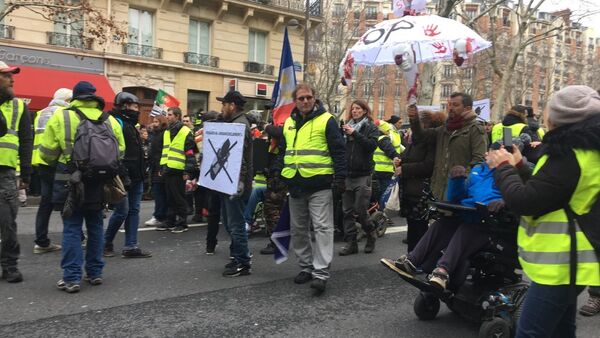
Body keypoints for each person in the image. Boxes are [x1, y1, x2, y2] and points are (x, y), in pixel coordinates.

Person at [487, 85, 600, 338]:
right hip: (572, 261)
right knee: (561, 330)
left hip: (561, 262)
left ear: (558, 117)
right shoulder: (585, 150)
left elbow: (525, 201)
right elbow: (556, 191)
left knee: (530, 332)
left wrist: (502, 167)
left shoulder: (569, 153)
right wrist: (519, 166)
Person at [40, 81, 125, 293]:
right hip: (98, 182)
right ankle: (95, 273)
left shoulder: (61, 116)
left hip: (69, 180)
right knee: (96, 225)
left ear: (74, 98)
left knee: (72, 228)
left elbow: (46, 154)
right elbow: (120, 152)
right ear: (93, 97)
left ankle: (71, 278)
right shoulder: (109, 119)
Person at [274, 83, 346, 293]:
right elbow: (284, 152)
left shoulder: (327, 120)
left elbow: (339, 151)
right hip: (295, 185)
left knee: (322, 229)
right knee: (298, 230)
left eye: (308, 97)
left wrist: (340, 178)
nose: (305, 101)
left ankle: (321, 273)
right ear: (295, 101)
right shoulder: (288, 123)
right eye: (301, 98)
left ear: (315, 98)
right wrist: (277, 173)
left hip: (319, 185)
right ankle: (306, 267)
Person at [391, 161, 505, 290]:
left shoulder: (508, 172)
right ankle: (412, 260)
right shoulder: (478, 170)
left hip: (489, 224)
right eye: (491, 151)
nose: (490, 154)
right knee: (441, 224)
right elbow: (456, 197)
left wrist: (506, 201)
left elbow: (518, 196)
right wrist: (456, 180)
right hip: (468, 216)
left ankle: (442, 271)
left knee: (466, 230)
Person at [408, 93, 487, 200]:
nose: (450, 108)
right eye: (449, 104)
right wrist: (414, 119)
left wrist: (461, 180)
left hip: (459, 191)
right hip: (438, 191)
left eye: (455, 105)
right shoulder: (444, 129)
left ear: (467, 108)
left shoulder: (475, 129)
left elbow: (479, 160)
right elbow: (421, 136)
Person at [104, 92, 152, 258]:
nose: (137, 110)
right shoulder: (114, 121)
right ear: (124, 105)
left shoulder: (132, 124)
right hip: (122, 175)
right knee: (122, 211)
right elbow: (113, 151)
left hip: (136, 175)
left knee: (133, 210)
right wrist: (123, 174)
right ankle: (105, 242)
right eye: (134, 106)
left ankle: (131, 246)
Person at [215, 91, 253, 277]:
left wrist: (239, 182)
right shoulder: (233, 123)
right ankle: (238, 256)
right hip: (228, 181)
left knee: (236, 224)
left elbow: (239, 159)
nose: (221, 108)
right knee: (231, 224)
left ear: (232, 106)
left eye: (224, 105)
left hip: (234, 183)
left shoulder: (239, 125)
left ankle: (243, 263)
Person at [0, 61, 32, 283]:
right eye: (7, 75)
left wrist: (27, 173)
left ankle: (10, 264)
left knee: (7, 222)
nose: (12, 79)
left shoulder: (19, 106)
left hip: (5, 173)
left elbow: (26, 141)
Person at [396, 110, 444, 251]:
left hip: (421, 190)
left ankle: (418, 258)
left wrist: (404, 169)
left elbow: (428, 166)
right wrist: (400, 161)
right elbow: (408, 157)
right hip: (410, 188)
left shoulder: (431, 141)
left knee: (419, 226)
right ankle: (411, 256)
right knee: (412, 225)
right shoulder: (414, 141)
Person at [32, 88, 72, 254]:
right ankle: (76, 236)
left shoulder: (40, 113)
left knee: (46, 202)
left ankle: (41, 242)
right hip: (56, 162)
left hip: (40, 161)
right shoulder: (64, 113)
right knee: (65, 199)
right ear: (67, 100)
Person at [339, 100, 379, 256]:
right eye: (353, 108)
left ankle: (371, 233)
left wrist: (354, 134)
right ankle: (351, 243)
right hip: (347, 175)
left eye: (358, 108)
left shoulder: (370, 127)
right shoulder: (346, 126)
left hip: (363, 175)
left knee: (360, 210)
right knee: (346, 211)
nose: (354, 111)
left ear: (364, 111)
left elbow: (371, 146)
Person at [156, 107, 197, 233]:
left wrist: (187, 171)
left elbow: (190, 153)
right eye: (167, 114)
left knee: (179, 198)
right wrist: (162, 167)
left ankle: (182, 223)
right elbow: (165, 151)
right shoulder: (167, 131)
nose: (167, 117)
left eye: (170, 115)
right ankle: (170, 221)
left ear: (177, 116)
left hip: (179, 170)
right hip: (168, 168)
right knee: (170, 198)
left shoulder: (185, 132)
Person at [372, 120, 403, 210]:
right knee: (385, 194)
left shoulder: (374, 138)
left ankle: (377, 211)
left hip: (375, 170)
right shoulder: (384, 139)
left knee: (377, 193)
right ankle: (382, 213)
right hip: (386, 170)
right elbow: (391, 152)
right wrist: (398, 158)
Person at [145, 116, 168, 227]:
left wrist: (161, 167)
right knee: (157, 192)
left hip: (160, 166)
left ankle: (159, 216)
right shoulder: (154, 134)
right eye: (153, 121)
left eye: (156, 122)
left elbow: (163, 151)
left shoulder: (164, 134)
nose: (154, 124)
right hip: (154, 166)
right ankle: (160, 215)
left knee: (159, 192)